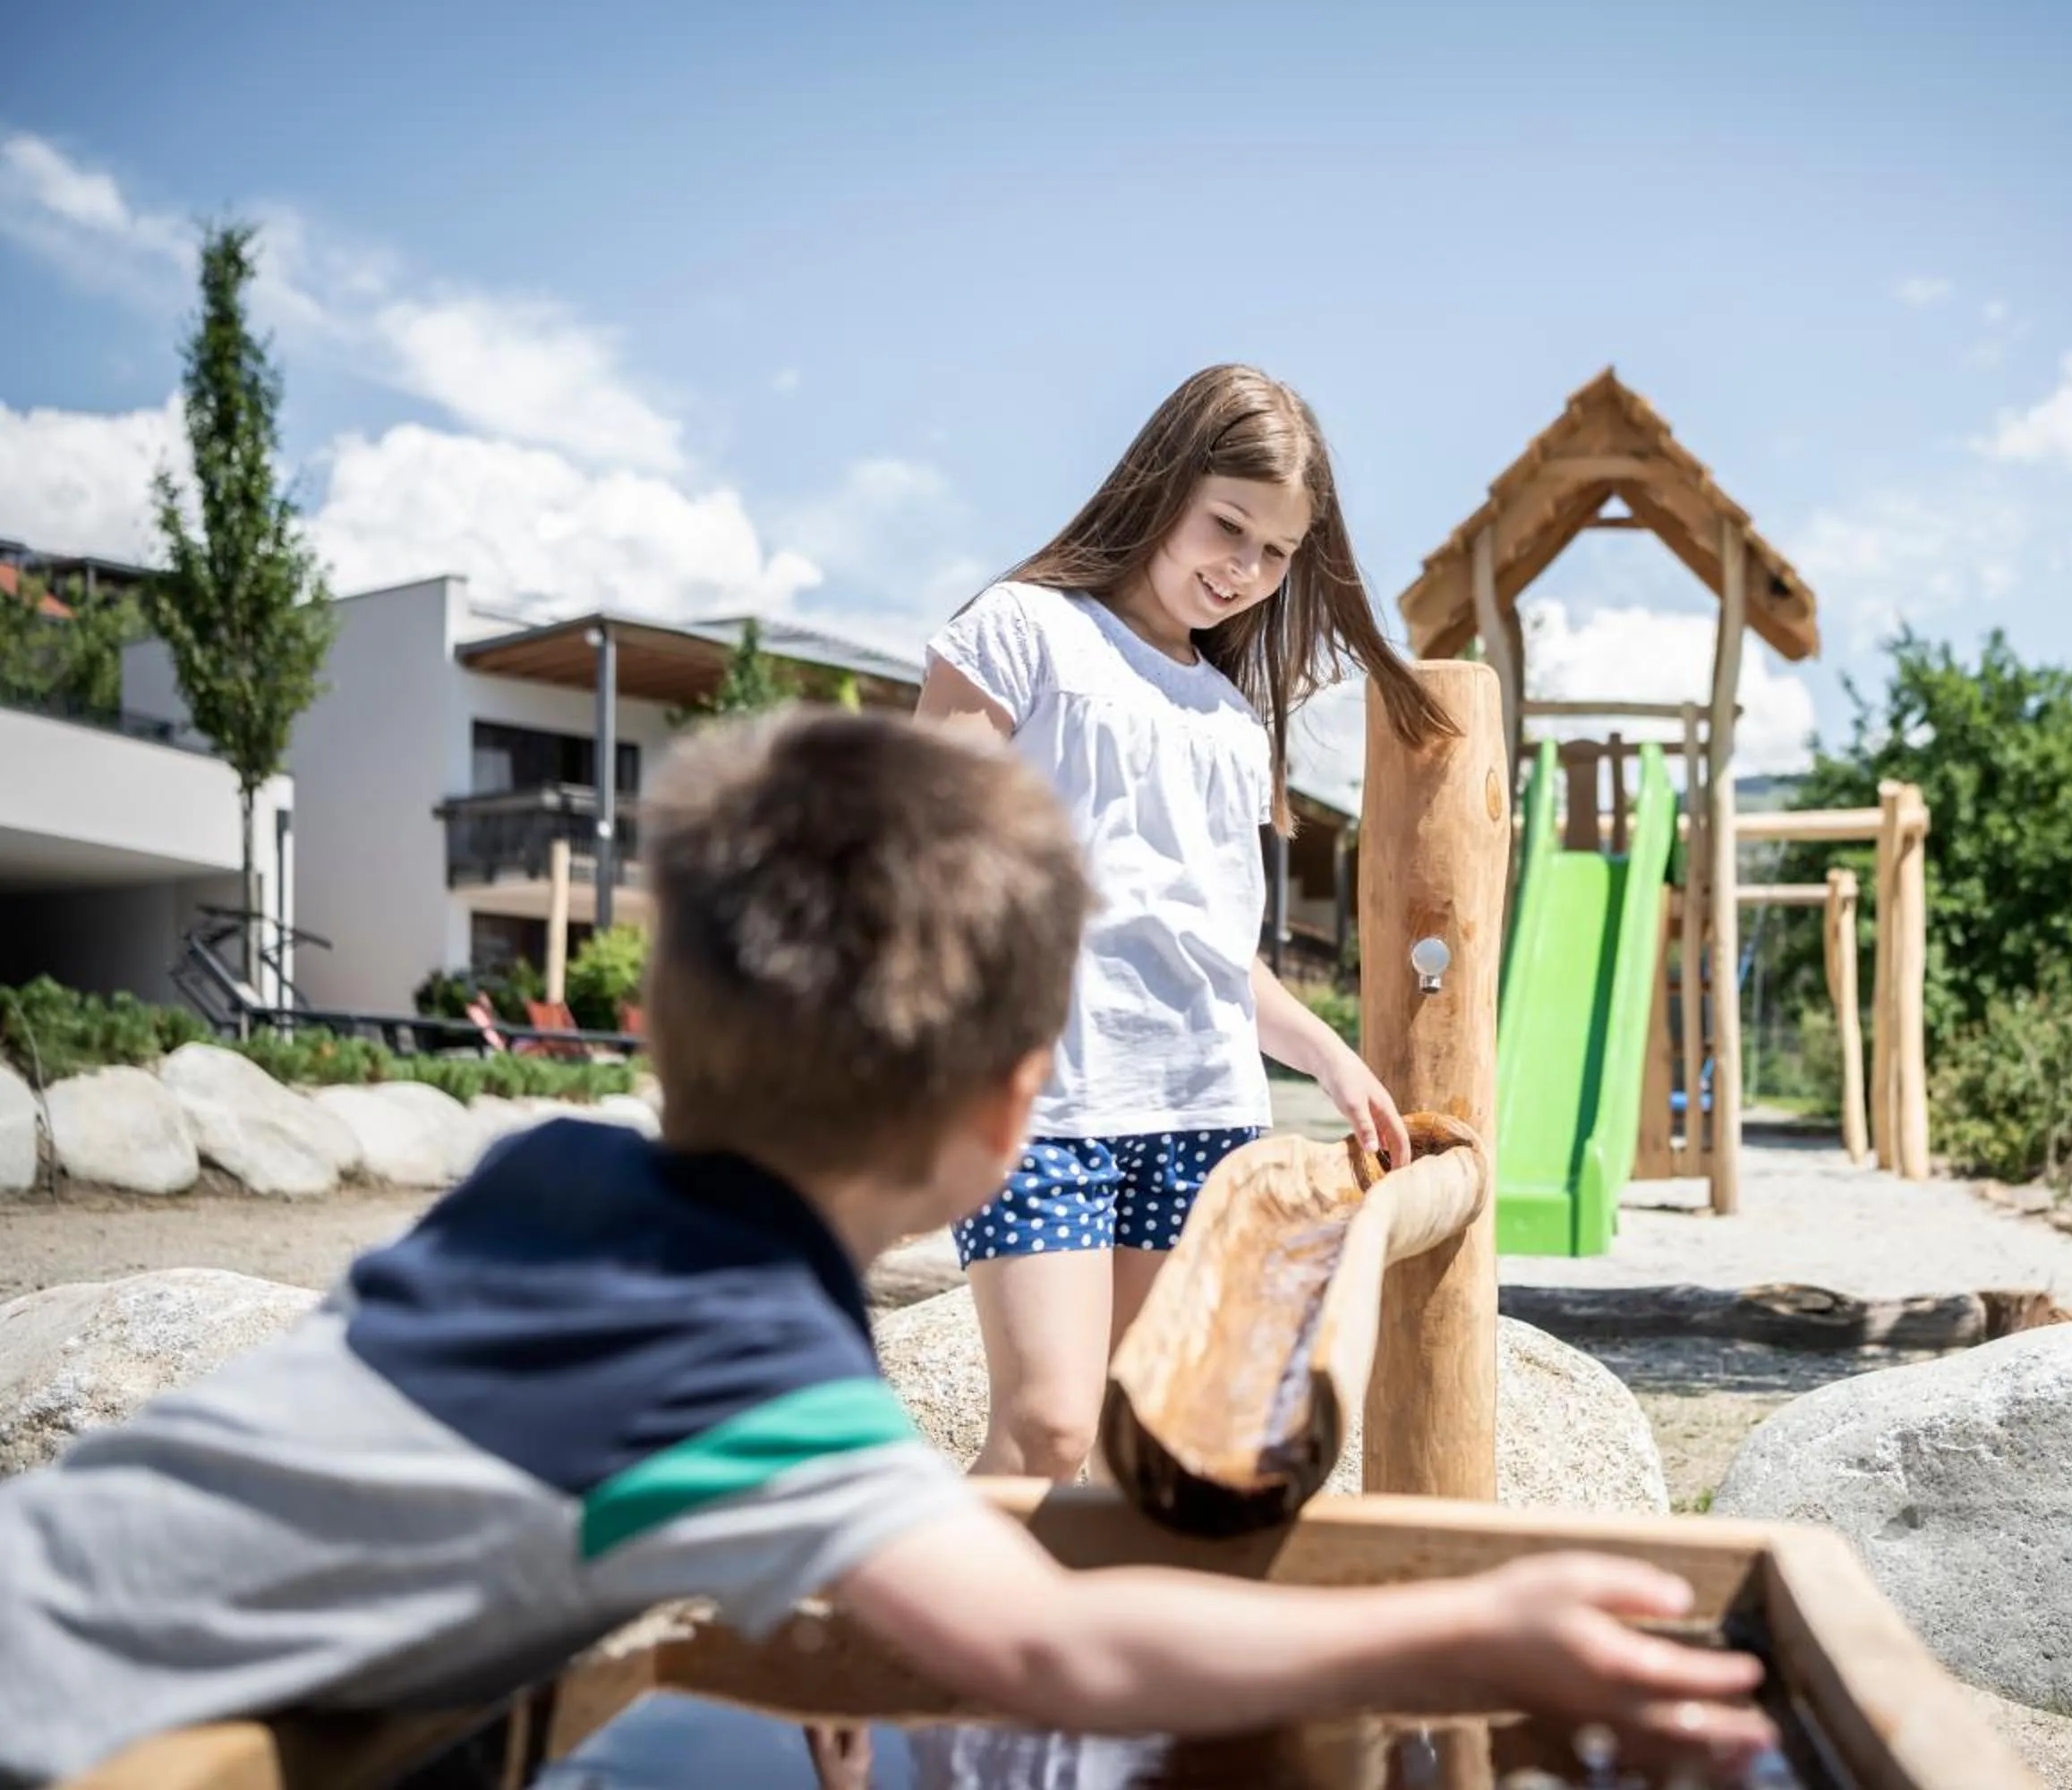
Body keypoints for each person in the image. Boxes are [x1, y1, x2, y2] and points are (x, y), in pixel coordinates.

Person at [0, 707, 1772, 1789]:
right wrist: (1474, 1632)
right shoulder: (740, 1376)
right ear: (1016, 1116)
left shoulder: (543, 1179)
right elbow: (1056, 1656)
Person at [919, 362, 1447, 1487]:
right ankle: (915, 1651)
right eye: (1227, 526)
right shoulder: (1021, 632)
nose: (1244, 569)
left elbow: (1214, 956)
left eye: (1276, 552)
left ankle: (1066, 1658)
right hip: (1037, 1100)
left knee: (1135, 1446)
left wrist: (1331, 1056)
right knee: (1047, 1424)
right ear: (1161, 484)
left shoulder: (1231, 718)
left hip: (1201, 1111)